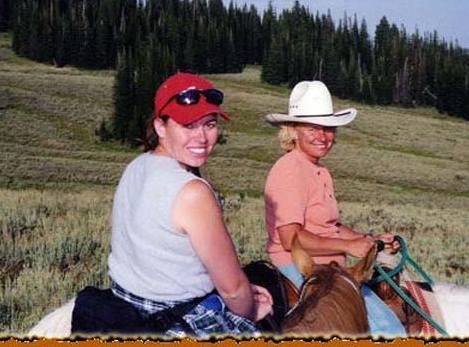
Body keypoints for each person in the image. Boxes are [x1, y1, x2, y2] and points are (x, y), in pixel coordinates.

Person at [108, 72, 273, 338]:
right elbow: (233, 290)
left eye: (209, 124)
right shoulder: (192, 192)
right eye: (188, 125)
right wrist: (250, 309)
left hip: (126, 302)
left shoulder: (137, 165)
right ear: (161, 127)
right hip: (176, 318)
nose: (202, 138)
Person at [263, 80, 406, 337]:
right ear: (293, 130)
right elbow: (290, 238)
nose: (323, 136)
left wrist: (368, 241)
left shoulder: (317, 169)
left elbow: (329, 227)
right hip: (301, 267)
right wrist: (347, 247)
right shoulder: (289, 170)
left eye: (328, 128)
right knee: (389, 329)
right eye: (312, 128)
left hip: (327, 267)